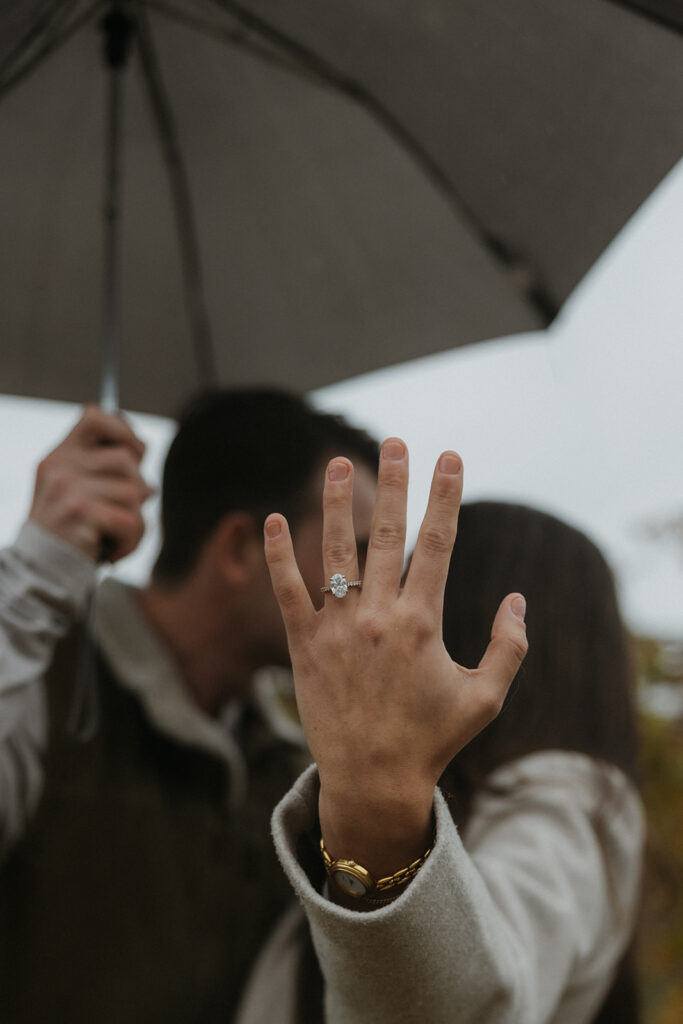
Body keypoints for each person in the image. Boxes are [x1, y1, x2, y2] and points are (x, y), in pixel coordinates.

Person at [0, 389, 379, 1024]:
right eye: (355, 555)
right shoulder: (40, 682)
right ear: (238, 550)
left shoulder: (297, 770)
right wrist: (34, 577)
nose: (375, 590)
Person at [233, 459, 644, 1023]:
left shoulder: (571, 803)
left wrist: (376, 819)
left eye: (418, 590)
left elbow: (480, 1001)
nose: (397, 616)